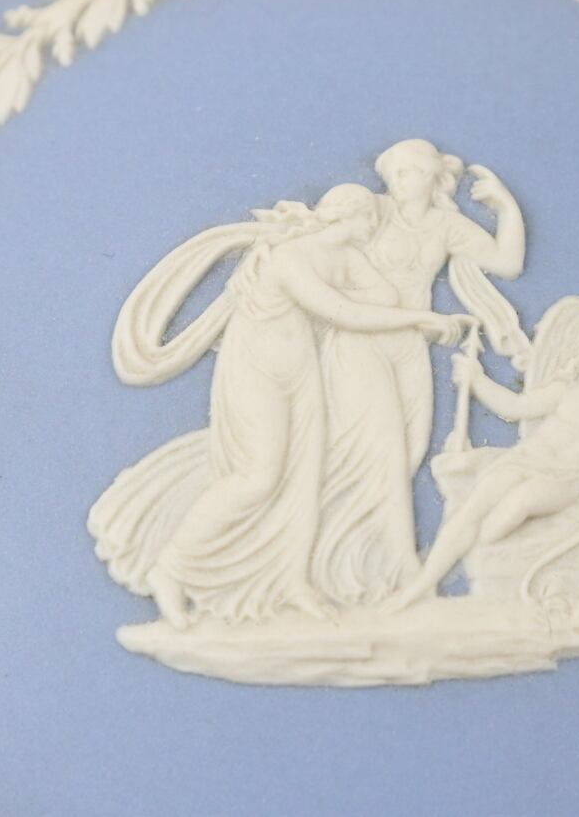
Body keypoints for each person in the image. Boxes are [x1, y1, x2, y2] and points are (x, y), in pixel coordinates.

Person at [89, 184, 471, 627]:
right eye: (371, 216)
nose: (376, 225)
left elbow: (382, 297)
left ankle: (293, 582)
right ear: (352, 216)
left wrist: (357, 295)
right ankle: (170, 569)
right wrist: (420, 318)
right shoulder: (291, 258)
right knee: (259, 477)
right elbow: (345, 313)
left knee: (305, 478)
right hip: (258, 368)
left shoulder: (347, 257)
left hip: (300, 369)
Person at [311, 140, 529, 605]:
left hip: (410, 345)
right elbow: (323, 254)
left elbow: (507, 262)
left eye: (412, 172)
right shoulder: (372, 212)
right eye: (395, 173)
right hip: (360, 340)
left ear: (434, 177)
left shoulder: (446, 225)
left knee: (408, 453)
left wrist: (507, 208)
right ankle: (400, 565)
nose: (401, 181)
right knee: (383, 451)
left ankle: (364, 564)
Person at [386, 328, 579, 611]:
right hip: (527, 459)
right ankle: (422, 585)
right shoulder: (564, 389)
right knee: (472, 510)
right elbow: (515, 407)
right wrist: (478, 381)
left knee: (516, 505)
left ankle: (467, 558)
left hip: (567, 477)